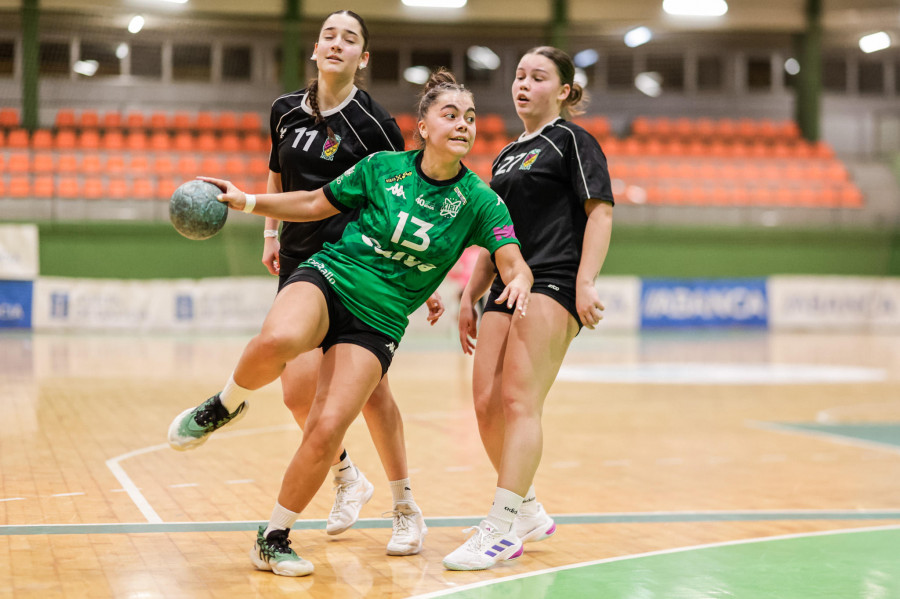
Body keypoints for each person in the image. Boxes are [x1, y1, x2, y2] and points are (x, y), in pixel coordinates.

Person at [168, 69, 533, 577]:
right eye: (449, 114)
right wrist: (250, 203)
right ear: (423, 127)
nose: (463, 124)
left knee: (326, 427)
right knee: (278, 338)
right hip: (331, 274)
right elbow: (313, 203)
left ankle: (272, 538)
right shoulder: (383, 167)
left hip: (377, 320)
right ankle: (225, 404)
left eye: (470, 117)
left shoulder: (480, 200)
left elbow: (512, 257)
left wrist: (518, 279)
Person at [257, 9, 440, 555]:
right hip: (299, 266)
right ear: (315, 49)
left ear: (363, 59)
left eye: (350, 39)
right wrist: (270, 232)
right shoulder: (284, 110)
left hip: (357, 268)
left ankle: (405, 505)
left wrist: (418, 278)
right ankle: (347, 478)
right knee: (296, 393)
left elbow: (402, 198)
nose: (337, 44)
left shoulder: (377, 123)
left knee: (371, 395)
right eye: (329, 35)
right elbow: (276, 169)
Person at [443, 46, 614, 571]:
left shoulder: (572, 141)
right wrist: (470, 294)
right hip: (506, 285)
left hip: (554, 280)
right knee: (485, 403)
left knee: (519, 402)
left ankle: (500, 526)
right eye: (519, 75)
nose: (523, 84)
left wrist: (585, 282)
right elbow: (497, 234)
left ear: (563, 91)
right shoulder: (506, 155)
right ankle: (530, 509)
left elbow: (600, 213)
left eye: (538, 77)